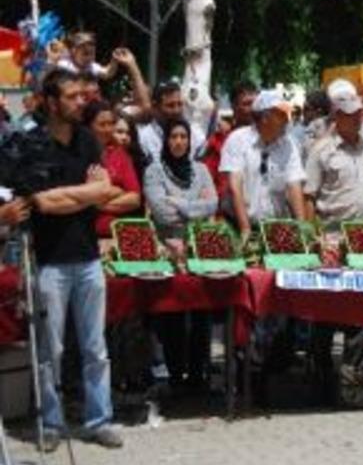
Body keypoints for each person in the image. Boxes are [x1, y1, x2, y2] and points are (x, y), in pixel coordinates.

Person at [28, 69, 123, 451]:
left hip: (87, 259)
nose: (80, 101)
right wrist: (84, 192)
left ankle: (99, 420)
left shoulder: (87, 140)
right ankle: (52, 424)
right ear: (52, 102)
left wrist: (65, 196)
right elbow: (40, 202)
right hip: (50, 261)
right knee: (52, 351)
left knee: (95, 348)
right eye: (71, 96)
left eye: (81, 95)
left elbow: (105, 191)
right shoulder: (34, 144)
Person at [304, 79, 363, 402]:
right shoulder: (320, 150)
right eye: (350, 114)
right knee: (326, 311)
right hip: (331, 239)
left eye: (359, 113)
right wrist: (314, 237)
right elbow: (309, 198)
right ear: (337, 116)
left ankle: (353, 375)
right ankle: (321, 376)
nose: (357, 118)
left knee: (359, 310)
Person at [144, 119, 218, 390]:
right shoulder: (154, 171)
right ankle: (176, 375)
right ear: (166, 141)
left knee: (202, 314)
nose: (178, 142)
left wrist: (178, 203)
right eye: (173, 136)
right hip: (168, 250)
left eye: (183, 137)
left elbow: (212, 204)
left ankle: (199, 374)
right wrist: (194, 207)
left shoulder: (201, 170)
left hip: (198, 249)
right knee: (172, 314)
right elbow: (161, 213)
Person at [220, 89, 306, 239]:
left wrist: (303, 228)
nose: (287, 119)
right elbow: (235, 187)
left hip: (275, 228)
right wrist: (245, 229)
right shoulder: (237, 140)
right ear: (265, 117)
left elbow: (294, 187)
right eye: (281, 115)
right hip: (238, 225)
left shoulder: (289, 144)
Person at [82, 101, 142, 243]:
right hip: (86, 235)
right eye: (102, 124)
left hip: (115, 234)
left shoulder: (119, 154)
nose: (108, 129)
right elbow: (81, 196)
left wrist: (97, 205)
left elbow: (135, 199)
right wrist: (119, 191)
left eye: (111, 124)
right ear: (89, 126)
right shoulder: (79, 155)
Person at [203, 81, 258, 199]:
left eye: (255, 103)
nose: (252, 109)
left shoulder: (268, 140)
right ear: (234, 106)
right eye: (247, 104)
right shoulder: (219, 140)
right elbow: (208, 180)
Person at [138, 80, 207, 163]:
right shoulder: (144, 138)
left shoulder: (196, 134)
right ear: (155, 107)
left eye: (180, 104)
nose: (176, 110)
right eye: (170, 105)